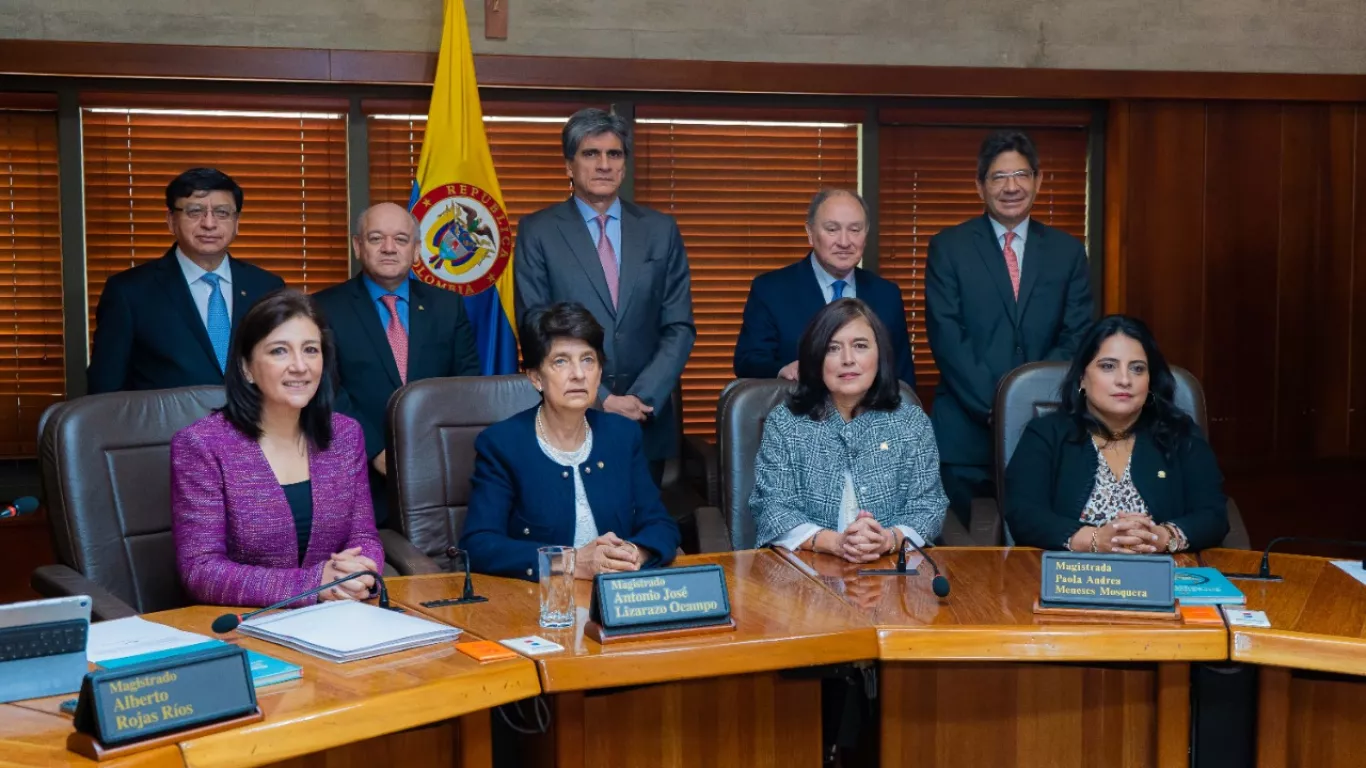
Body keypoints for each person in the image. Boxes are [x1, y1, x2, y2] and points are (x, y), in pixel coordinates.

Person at [514, 108, 695, 484]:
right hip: (570, 413)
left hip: (646, 420)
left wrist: (642, 398)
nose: (603, 164)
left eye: (614, 154)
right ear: (569, 165)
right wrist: (603, 398)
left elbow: (678, 325)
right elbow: (535, 324)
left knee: (640, 533)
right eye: (590, 153)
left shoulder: (660, 230)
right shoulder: (538, 230)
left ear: (624, 165)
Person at [171, 289, 384, 607]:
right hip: (245, 627)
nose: (300, 366)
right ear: (246, 367)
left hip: (338, 620)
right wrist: (313, 585)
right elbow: (201, 571)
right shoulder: (201, 446)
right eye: (279, 351)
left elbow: (364, 537)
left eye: (311, 350)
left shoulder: (345, 435)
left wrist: (360, 572)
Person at [925, 130, 1095, 526]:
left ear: (1038, 180)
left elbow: (1077, 337)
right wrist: (1000, 406)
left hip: (1049, 430)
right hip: (967, 438)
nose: (1011, 186)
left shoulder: (1067, 252)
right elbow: (948, 337)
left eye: (1021, 174)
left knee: (1040, 549)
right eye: (999, 177)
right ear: (980, 186)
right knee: (970, 556)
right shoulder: (948, 247)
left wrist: (1034, 404)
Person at [461, 302, 681, 581]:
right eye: (561, 361)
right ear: (536, 378)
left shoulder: (622, 435)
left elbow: (660, 524)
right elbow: (480, 545)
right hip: (537, 602)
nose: (578, 374)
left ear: (600, 372)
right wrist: (571, 562)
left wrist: (634, 552)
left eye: (588, 360)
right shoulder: (502, 444)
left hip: (619, 596)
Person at [313, 202, 481, 526]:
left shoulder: (447, 306)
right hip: (357, 472)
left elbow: (466, 386)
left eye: (401, 239)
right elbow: (327, 389)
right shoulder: (323, 308)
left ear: (416, 249)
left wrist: (434, 452)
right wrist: (377, 453)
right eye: (376, 238)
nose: (389, 248)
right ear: (357, 246)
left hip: (437, 472)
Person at [1004, 315, 1229, 553]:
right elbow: (1024, 514)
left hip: (1163, 578)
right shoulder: (1046, 434)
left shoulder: (1180, 434)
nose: (1124, 380)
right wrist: (1093, 540)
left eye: (1137, 369)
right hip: (1071, 578)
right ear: (1082, 377)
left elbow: (1213, 514)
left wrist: (1165, 537)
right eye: (1108, 366)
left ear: (1150, 381)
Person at [750, 298, 947, 561]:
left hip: (891, 572)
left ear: (880, 355)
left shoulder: (911, 422)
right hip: (806, 576)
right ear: (815, 358)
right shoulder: (786, 423)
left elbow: (929, 506)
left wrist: (888, 539)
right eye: (832, 348)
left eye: (860, 346)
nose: (848, 360)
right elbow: (772, 509)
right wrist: (835, 542)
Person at [88, 168, 285, 394]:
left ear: (236, 222)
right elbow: (105, 389)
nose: (209, 224)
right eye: (195, 212)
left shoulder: (266, 287)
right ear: (171, 220)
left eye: (222, 213)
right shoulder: (129, 292)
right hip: (166, 428)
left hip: (252, 427)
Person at [734, 188, 916, 389]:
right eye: (832, 229)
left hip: (872, 415)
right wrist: (782, 369)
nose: (844, 242)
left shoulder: (886, 294)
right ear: (810, 233)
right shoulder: (770, 289)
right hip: (798, 411)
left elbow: (902, 377)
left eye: (855, 230)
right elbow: (748, 361)